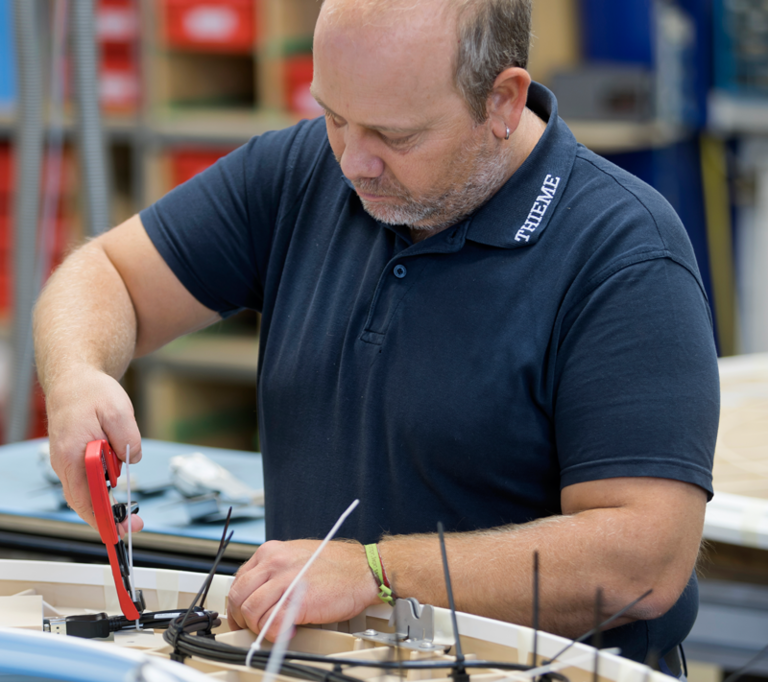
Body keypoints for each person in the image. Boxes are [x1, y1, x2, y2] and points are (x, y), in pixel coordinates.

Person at [33, 0, 719, 668]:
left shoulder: (622, 253)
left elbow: (644, 556)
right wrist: (74, 378)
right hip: (315, 664)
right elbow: (109, 273)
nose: (354, 162)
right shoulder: (302, 173)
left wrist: (378, 571)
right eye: (333, 116)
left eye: (395, 136)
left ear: (503, 102)